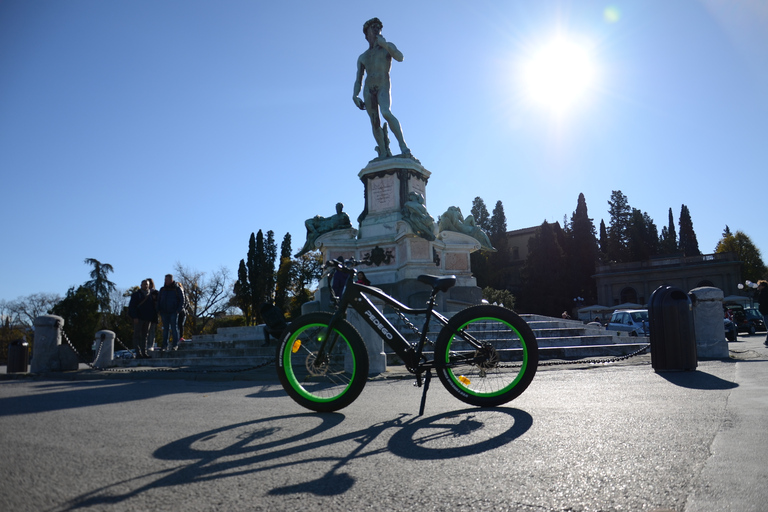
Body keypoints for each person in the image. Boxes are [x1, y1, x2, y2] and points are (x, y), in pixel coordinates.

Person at [353, 17, 411, 159]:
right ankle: (384, 152)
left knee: (386, 112)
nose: (377, 29)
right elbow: (358, 79)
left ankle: (404, 147)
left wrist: (385, 45)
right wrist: (355, 95)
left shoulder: (386, 47)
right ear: (367, 33)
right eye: (374, 27)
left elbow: (400, 57)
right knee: (374, 121)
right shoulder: (363, 56)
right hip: (368, 88)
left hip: (383, 83)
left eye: (379, 27)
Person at [128, 279, 157, 359]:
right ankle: (138, 353)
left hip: (147, 319)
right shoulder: (136, 295)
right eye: (144, 284)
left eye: (147, 284)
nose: (146, 286)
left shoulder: (151, 295)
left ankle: (144, 353)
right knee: (137, 336)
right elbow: (132, 307)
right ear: (141, 285)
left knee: (145, 336)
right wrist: (135, 317)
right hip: (138, 318)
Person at [157, 274, 185, 351]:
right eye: (165, 280)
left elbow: (182, 300)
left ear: (171, 280)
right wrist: (159, 309)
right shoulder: (162, 289)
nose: (165, 281)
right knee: (165, 329)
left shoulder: (177, 289)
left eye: (167, 280)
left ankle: (175, 345)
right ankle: (164, 345)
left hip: (173, 311)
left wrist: (178, 310)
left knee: (174, 328)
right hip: (164, 312)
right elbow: (158, 300)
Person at [146, 277, 158, 351]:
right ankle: (146, 345)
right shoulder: (143, 293)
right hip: (145, 314)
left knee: (151, 331)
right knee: (145, 331)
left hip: (153, 314)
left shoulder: (155, 293)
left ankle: (151, 345)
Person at [756, 280, 768, 345]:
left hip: (766, 312)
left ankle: (767, 342)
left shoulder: (763, 293)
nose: (758, 286)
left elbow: (761, 302)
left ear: (763, 286)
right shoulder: (764, 292)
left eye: (759, 285)